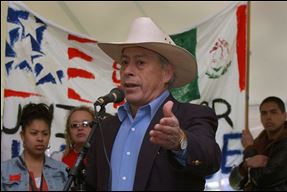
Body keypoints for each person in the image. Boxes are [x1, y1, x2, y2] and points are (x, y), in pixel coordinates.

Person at [85, 17, 221, 191]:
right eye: (124, 62)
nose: (127, 71)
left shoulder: (191, 115)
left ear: (166, 73)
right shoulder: (106, 127)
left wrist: (180, 141)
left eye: (140, 62)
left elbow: (211, 159)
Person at [229, 96, 287, 191]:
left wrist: (249, 148)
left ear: (284, 116)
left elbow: (261, 180)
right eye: (264, 113)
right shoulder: (259, 143)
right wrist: (246, 164)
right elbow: (235, 184)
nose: (268, 117)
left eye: (273, 112)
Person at [1, 103, 68, 191]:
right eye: (34, 133)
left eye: (45, 134)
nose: (40, 138)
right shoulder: (4, 170)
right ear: (22, 136)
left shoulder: (63, 171)